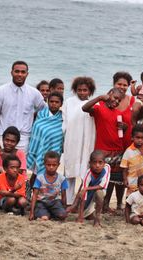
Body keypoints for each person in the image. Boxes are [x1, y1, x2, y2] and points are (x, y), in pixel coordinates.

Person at [82, 86, 134, 213]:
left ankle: (112, 204)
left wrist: (126, 128)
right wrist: (100, 97)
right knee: (102, 179)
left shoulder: (119, 113)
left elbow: (120, 131)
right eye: (115, 98)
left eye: (119, 100)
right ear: (109, 94)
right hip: (103, 150)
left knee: (118, 179)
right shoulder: (99, 107)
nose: (116, 102)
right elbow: (84, 108)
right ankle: (95, 205)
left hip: (118, 149)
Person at [0, 61, 45, 151]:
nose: (20, 74)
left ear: (27, 74)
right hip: (3, 138)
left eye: (23, 72)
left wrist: (33, 118)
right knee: (0, 165)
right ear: (11, 72)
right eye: (17, 71)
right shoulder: (0, 92)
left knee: (22, 164)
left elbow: (43, 110)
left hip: (24, 138)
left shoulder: (34, 93)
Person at [62, 76, 96, 205]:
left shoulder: (93, 103)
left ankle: (82, 202)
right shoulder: (69, 102)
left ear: (90, 91)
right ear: (75, 90)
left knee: (85, 171)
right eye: (79, 90)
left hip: (87, 140)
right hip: (72, 140)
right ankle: (68, 200)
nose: (82, 92)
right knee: (69, 171)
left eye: (85, 90)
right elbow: (65, 122)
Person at [67, 150, 111, 227]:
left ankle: (97, 219)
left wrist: (87, 188)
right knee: (87, 215)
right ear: (90, 163)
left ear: (104, 163)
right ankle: (81, 210)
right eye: (94, 163)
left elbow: (102, 185)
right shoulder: (88, 174)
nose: (97, 165)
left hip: (100, 191)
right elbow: (83, 194)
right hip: (90, 195)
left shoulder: (107, 168)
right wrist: (80, 215)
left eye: (100, 162)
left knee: (99, 193)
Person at [27, 92, 64, 177]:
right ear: (47, 102)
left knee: (50, 175)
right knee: (36, 174)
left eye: (57, 102)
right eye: (51, 101)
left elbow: (62, 137)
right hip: (38, 150)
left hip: (54, 150)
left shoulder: (62, 118)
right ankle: (31, 189)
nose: (54, 104)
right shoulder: (40, 115)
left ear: (61, 104)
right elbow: (35, 134)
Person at [29, 151, 68, 221]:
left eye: (54, 165)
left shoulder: (62, 179)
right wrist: (31, 212)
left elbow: (64, 195)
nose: (51, 167)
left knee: (62, 215)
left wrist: (64, 209)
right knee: (44, 218)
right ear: (44, 164)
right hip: (41, 202)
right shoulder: (39, 178)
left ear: (58, 165)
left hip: (55, 202)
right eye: (48, 165)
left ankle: (50, 213)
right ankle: (43, 213)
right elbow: (34, 195)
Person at [120, 125, 143, 196]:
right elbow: (124, 168)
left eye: (142, 138)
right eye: (137, 137)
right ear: (132, 137)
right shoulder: (128, 151)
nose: (140, 140)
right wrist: (125, 179)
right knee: (130, 200)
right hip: (132, 182)